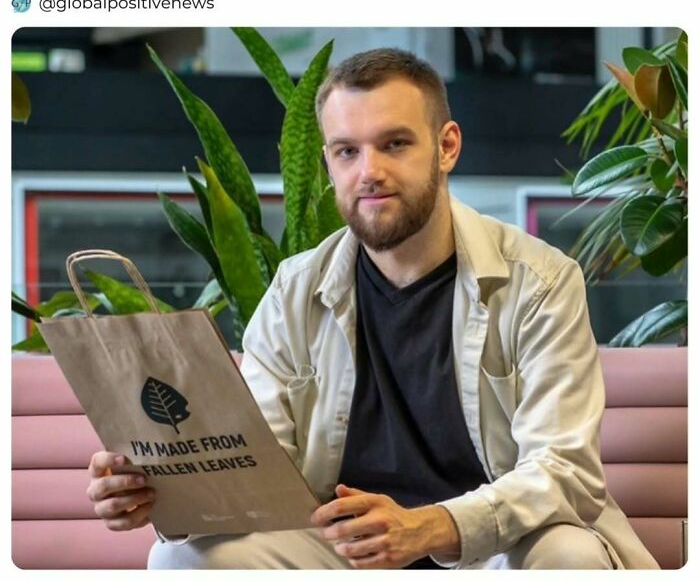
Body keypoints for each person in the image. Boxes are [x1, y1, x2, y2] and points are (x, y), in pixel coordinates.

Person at [87, 48, 659, 570]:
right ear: (328, 163)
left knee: (568, 554)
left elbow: (564, 472)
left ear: (447, 146)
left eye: (395, 143)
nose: (370, 172)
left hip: (491, 552)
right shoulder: (294, 289)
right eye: (347, 151)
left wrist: (430, 526)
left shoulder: (539, 282)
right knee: (178, 560)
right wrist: (163, 492)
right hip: (343, 554)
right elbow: (258, 470)